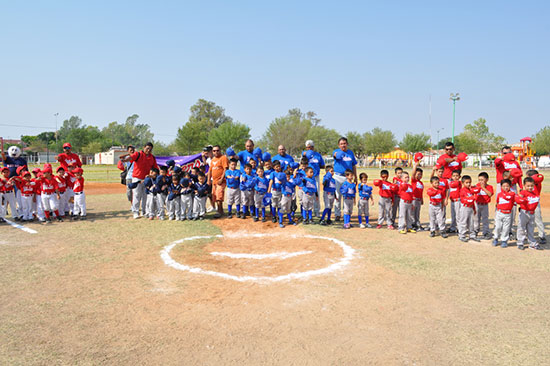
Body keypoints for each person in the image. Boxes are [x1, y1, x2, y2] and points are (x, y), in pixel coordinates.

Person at [120, 142, 159, 219]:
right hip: (137, 178)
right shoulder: (138, 154)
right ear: (144, 147)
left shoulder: (152, 157)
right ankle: (135, 212)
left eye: (150, 149)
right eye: (147, 148)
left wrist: (153, 175)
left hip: (146, 179)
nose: (148, 150)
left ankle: (144, 212)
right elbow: (131, 158)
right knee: (137, 195)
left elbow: (155, 168)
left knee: (145, 196)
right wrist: (125, 160)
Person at [332, 137, 358, 221]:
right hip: (338, 176)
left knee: (347, 196)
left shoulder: (350, 153)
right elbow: (336, 155)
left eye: (344, 143)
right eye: (341, 144)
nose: (343, 145)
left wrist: (355, 176)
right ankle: (337, 214)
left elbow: (353, 165)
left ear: (347, 144)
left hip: (348, 177)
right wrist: (340, 153)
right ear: (338, 145)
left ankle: (346, 214)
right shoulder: (336, 151)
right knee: (338, 196)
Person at [515, 177, 542, 250]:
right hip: (524, 212)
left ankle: (532, 243)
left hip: (532, 213)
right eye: (528, 186)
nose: (530, 187)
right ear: (524, 185)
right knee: (522, 227)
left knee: (531, 228)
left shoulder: (534, 193)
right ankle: (520, 242)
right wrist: (521, 200)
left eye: (531, 186)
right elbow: (517, 199)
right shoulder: (523, 192)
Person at [302, 140, 325, 216]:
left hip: (315, 176)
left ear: (313, 147)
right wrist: (305, 155)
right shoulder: (304, 154)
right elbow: (303, 163)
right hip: (307, 178)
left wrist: (317, 166)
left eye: (310, 147)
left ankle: (317, 211)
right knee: (307, 194)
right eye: (307, 147)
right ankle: (307, 211)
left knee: (316, 193)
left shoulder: (318, 155)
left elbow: (322, 165)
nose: (309, 148)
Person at [492, 179, 515, 248]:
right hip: (499, 213)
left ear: (510, 186)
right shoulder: (499, 194)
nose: (505, 188)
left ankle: (504, 240)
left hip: (507, 214)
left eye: (507, 186)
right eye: (504, 186)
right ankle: (495, 238)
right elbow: (497, 202)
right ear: (501, 187)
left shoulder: (512, 194)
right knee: (498, 227)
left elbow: (508, 197)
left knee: (506, 228)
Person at [208, 145, 229, 218]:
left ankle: (219, 212)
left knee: (219, 196)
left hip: (221, 181)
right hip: (214, 182)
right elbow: (210, 170)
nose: (216, 152)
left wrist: (221, 179)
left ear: (220, 150)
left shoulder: (223, 158)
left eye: (217, 150)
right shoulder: (213, 159)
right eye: (214, 151)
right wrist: (208, 180)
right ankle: (221, 211)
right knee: (215, 196)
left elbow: (225, 169)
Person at [526, 170, 546, 244]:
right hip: (527, 202)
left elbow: (538, 178)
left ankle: (542, 236)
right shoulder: (527, 183)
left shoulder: (537, 183)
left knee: (538, 219)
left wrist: (533, 177)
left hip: (535, 202)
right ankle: (525, 234)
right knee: (525, 219)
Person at [458, 175, 479, 243]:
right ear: (463, 183)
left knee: (471, 222)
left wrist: (474, 208)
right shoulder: (462, 190)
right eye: (466, 182)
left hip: (470, 208)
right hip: (465, 207)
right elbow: (464, 200)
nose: (468, 184)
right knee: (463, 222)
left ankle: (472, 235)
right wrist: (472, 198)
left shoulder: (470, 190)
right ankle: (462, 235)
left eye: (469, 182)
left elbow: (472, 201)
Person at [473, 172, 494, 240]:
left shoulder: (489, 187)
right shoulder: (477, 185)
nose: (480, 181)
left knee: (485, 219)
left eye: (482, 180)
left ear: (487, 180)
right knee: (476, 218)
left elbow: (490, 194)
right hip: (477, 204)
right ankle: (476, 230)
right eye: (479, 180)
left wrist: (483, 188)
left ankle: (486, 232)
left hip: (485, 205)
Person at [411, 166, 425, 231]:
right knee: (413, 213)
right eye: (418, 174)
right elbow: (413, 174)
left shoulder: (421, 183)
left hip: (419, 200)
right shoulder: (414, 181)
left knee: (417, 213)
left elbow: (421, 192)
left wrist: (422, 199)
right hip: (414, 199)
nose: (419, 175)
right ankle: (412, 224)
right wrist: (415, 165)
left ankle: (417, 224)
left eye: (420, 174)